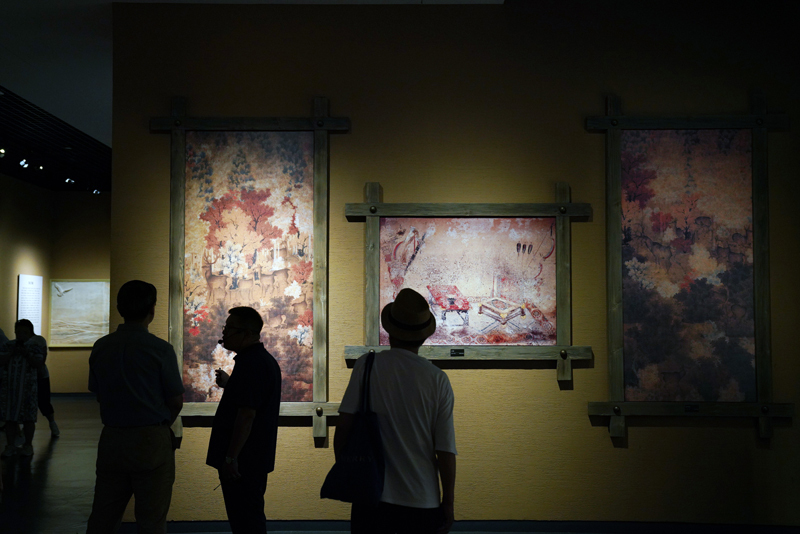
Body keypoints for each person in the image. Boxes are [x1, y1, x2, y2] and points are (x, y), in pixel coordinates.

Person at [336, 288, 457, 534]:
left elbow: (343, 430)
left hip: (371, 495)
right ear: (423, 337)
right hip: (422, 500)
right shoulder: (437, 379)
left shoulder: (367, 366)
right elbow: (445, 451)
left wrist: (349, 472)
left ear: (390, 331)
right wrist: (448, 502)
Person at [86, 280, 184, 534]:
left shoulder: (101, 346)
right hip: (151, 439)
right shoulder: (161, 350)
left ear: (119, 308)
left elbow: (97, 392)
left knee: (103, 517)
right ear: (152, 309)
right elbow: (176, 401)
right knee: (152, 520)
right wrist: (161, 424)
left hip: (113, 437)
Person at [206, 306, 282, 534]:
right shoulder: (258, 361)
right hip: (251, 460)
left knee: (246, 522)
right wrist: (231, 385)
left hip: (244, 463)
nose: (224, 333)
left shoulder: (252, 364)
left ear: (248, 333)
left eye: (230, 328)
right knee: (248, 519)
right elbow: (251, 400)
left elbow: (247, 415)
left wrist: (231, 457)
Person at [0, 319, 45, 457]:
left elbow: (39, 363)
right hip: (10, 389)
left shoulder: (35, 347)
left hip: (28, 389)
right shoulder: (8, 345)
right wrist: (11, 353)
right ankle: (10, 445)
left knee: (28, 418)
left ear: (30, 333)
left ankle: (28, 445)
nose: (21, 335)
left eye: (25, 332)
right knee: (9, 419)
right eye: (19, 332)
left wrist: (26, 354)